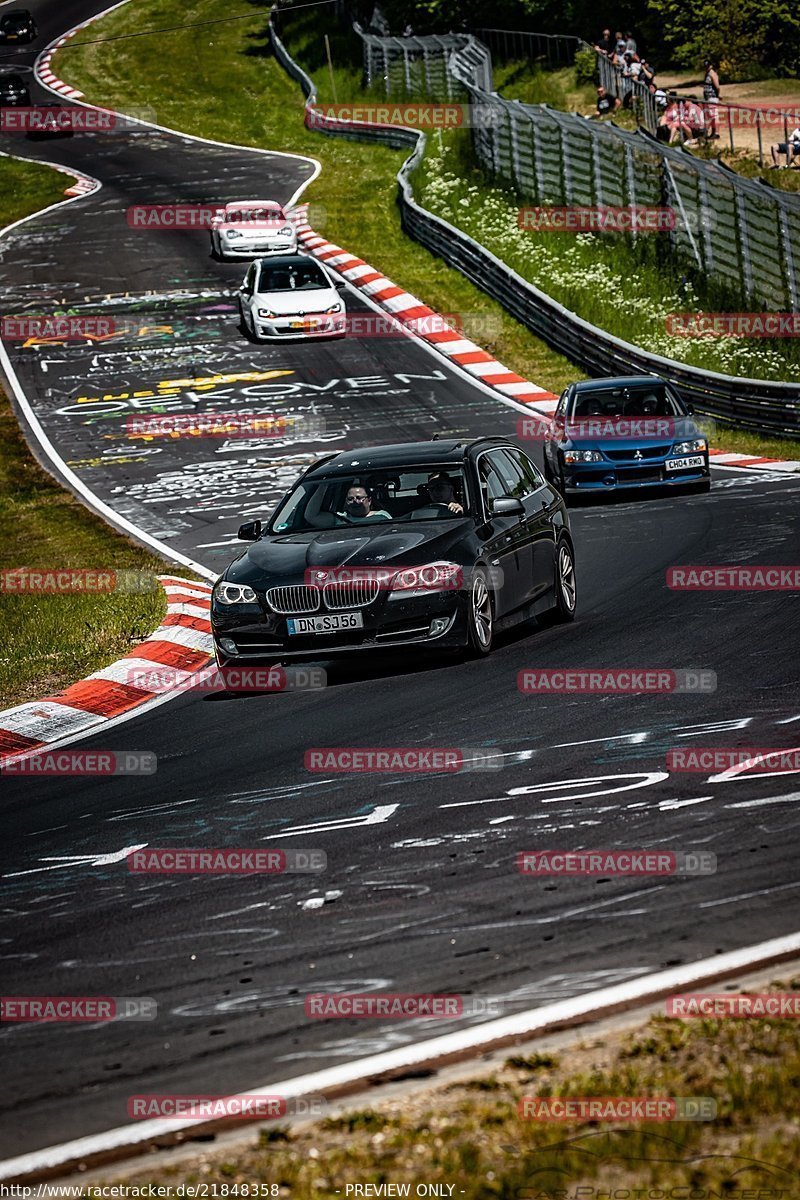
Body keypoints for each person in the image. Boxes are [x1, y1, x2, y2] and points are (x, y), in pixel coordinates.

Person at [702, 59, 721, 139]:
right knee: (710, 115)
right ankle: (712, 132)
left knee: (714, 116)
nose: (706, 68)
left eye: (708, 66)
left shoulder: (713, 74)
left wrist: (718, 95)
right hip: (708, 98)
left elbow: (717, 87)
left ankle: (715, 132)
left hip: (712, 97)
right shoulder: (707, 74)